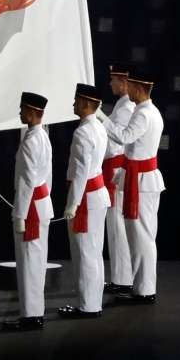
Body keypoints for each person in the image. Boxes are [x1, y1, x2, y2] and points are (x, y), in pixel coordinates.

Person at [104, 67, 166, 304]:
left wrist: (100, 116)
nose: (126, 88)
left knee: (142, 236)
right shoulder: (150, 111)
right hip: (141, 178)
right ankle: (142, 287)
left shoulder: (143, 114)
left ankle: (144, 290)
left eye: (130, 85)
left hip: (141, 180)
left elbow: (124, 137)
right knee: (142, 235)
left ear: (138, 88)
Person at [58, 83, 110, 319]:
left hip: (86, 198)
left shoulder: (82, 132)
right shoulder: (99, 127)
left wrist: (72, 204)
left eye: (77, 99)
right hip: (97, 195)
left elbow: (80, 172)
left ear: (88, 103)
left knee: (84, 253)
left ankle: (87, 306)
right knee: (94, 252)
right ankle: (93, 301)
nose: (74, 103)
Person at [2, 92, 53, 331]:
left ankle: (30, 316)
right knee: (36, 262)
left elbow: (26, 182)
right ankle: (35, 312)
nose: (20, 112)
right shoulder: (42, 136)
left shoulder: (32, 141)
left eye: (23, 109)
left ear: (33, 113)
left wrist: (20, 215)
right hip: (42, 203)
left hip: (31, 207)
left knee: (28, 263)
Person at [96, 65, 136, 293]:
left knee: (118, 225)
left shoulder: (126, 109)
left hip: (115, 169)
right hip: (112, 168)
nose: (110, 84)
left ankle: (123, 278)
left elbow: (115, 144)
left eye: (113, 80)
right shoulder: (122, 106)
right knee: (114, 226)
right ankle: (120, 276)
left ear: (124, 82)